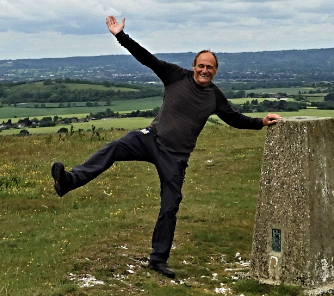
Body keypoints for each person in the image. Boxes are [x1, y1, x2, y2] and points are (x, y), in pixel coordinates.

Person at [51, 16, 281, 279]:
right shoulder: (175, 76)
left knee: (170, 205)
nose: (204, 70)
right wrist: (120, 36)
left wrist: (261, 122)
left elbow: (235, 119)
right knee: (115, 147)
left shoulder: (215, 97)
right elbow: (147, 58)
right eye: (201, 66)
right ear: (193, 66)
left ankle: (158, 260)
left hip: (175, 157)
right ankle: (69, 181)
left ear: (215, 71)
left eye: (210, 67)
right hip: (151, 138)